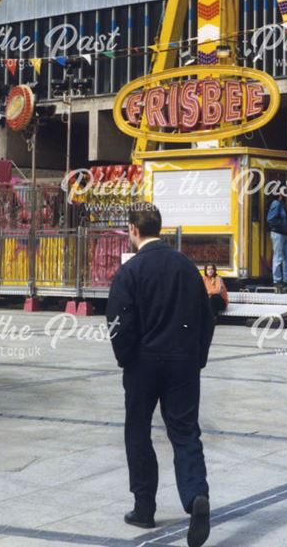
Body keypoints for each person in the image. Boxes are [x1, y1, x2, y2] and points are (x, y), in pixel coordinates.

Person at [107, 202, 213, 547]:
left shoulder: (130, 272)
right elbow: (206, 317)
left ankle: (144, 507)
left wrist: (127, 360)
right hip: (183, 360)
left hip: (143, 363)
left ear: (133, 231)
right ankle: (196, 495)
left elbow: (119, 322)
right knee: (185, 432)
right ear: (160, 228)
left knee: (138, 431)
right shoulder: (186, 268)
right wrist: (197, 357)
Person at [266, 193, 287, 290]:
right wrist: (283, 227)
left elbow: (271, 219)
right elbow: (270, 219)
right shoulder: (277, 203)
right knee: (280, 257)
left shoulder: (279, 203)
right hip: (279, 233)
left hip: (281, 233)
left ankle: (285, 280)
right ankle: (278, 280)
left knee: (284, 257)